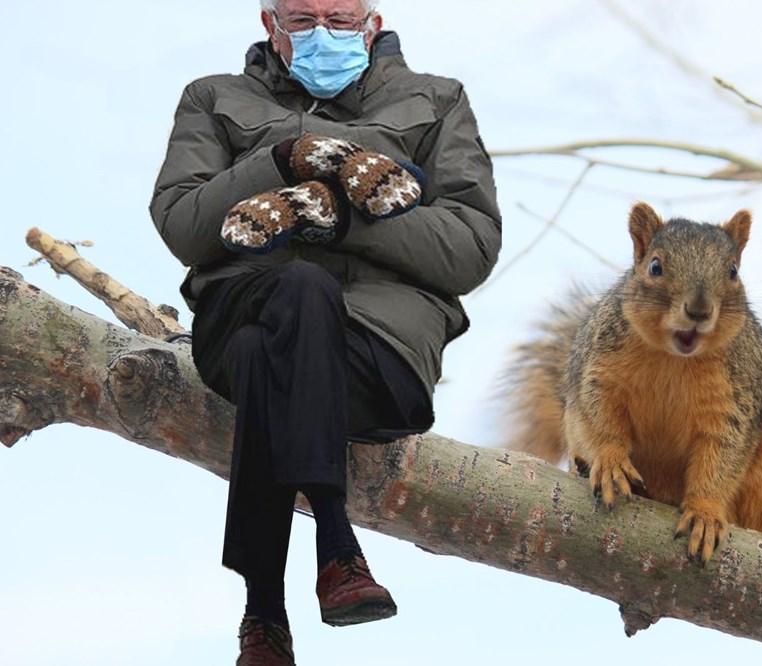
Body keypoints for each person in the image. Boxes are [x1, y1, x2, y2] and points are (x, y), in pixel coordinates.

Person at [149, 0, 501, 662]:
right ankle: (336, 546)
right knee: (295, 294)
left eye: (339, 21)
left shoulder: (438, 101)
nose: (323, 35)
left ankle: (263, 610)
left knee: (265, 349)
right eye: (303, 20)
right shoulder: (211, 98)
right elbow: (184, 226)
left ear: (371, 25)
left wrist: (337, 216)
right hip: (244, 303)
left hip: (378, 349)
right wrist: (282, 160)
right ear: (270, 25)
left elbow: (469, 249)